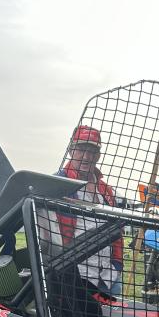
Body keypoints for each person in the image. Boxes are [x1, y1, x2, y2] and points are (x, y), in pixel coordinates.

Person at [51, 125, 124, 296]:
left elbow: (117, 229)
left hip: (108, 277)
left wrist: (117, 264)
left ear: (98, 155)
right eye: (81, 150)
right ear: (71, 151)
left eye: (91, 152)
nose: (86, 157)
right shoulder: (57, 184)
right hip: (75, 275)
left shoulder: (106, 190)